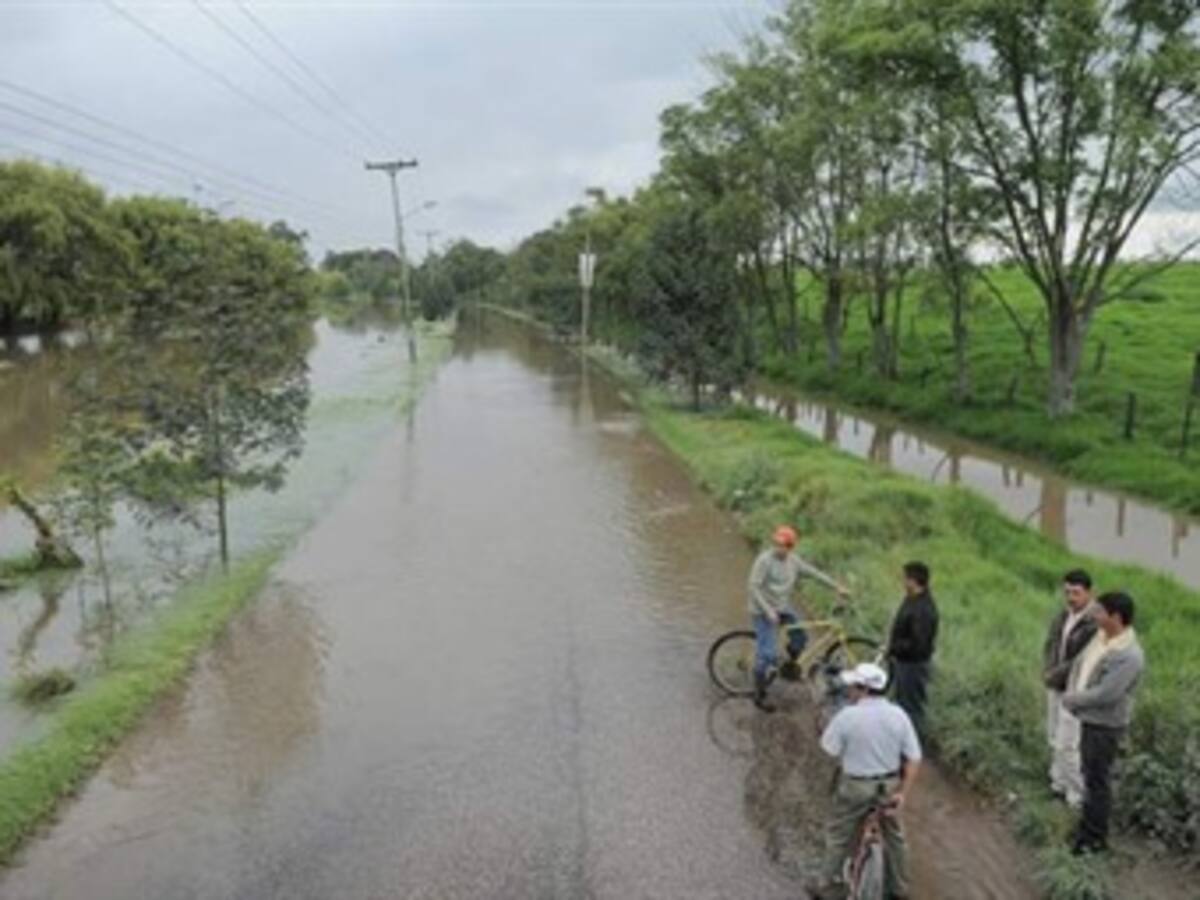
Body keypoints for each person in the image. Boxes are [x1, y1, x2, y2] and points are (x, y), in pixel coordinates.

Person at [811, 662, 921, 900]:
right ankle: (900, 889)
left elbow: (829, 750)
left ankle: (824, 884)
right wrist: (903, 793)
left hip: (855, 787)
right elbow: (914, 759)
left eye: (852, 686)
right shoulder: (899, 715)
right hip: (889, 787)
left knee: (838, 834)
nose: (849, 690)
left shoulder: (847, 716)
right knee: (895, 837)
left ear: (862, 689)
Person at [1062, 591, 1145, 855]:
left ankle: (1093, 840)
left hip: (1104, 727)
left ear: (1116, 617)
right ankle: (1087, 828)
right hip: (1089, 718)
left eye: (1100, 612)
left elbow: (1106, 694)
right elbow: (1080, 664)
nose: (1094, 616)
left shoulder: (1129, 656)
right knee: (1090, 775)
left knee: (1097, 782)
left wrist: (1073, 699)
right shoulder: (1102, 637)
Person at [747, 525, 850, 713]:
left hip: (782, 607)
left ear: (790, 547)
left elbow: (814, 573)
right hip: (763, 610)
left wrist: (837, 587)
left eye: (782, 545)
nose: (777, 547)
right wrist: (768, 611)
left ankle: (788, 668)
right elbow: (753, 587)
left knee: (801, 638)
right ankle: (759, 695)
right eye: (776, 543)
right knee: (767, 655)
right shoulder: (764, 561)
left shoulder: (794, 562)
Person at [1042, 569, 1099, 808]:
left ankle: (1076, 796)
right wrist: (1047, 668)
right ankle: (1058, 784)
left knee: (1069, 743)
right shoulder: (1063, 616)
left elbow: (1080, 661)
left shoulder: (1094, 623)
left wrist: (1053, 674)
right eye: (1067, 592)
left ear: (1089, 593)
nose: (1070, 598)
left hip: (1074, 692)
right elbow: (1050, 644)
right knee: (1054, 735)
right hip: (1055, 685)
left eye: (1076, 593)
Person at [886, 562, 938, 737]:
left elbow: (919, 645)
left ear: (913, 581)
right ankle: (900, 743)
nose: (902, 582)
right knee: (901, 704)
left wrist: (895, 647)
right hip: (904, 662)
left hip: (913, 666)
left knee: (911, 709)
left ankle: (913, 749)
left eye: (905, 578)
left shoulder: (923, 610)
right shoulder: (912, 599)